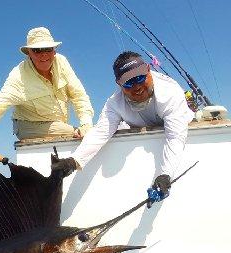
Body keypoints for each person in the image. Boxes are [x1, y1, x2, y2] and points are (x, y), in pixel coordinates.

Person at [51, 51, 194, 206]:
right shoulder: (114, 103)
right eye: (128, 82)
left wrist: (165, 174)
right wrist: (73, 161)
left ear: (148, 70)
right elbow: (100, 132)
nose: (137, 86)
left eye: (140, 78)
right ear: (119, 84)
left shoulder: (169, 92)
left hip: (179, 126)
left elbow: (175, 137)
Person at [0, 27, 94, 148]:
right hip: (28, 126)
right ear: (28, 53)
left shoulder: (62, 62)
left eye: (47, 49)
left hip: (58, 125)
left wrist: (86, 123)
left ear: (54, 50)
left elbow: (79, 96)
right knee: (76, 134)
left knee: (86, 131)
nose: (43, 55)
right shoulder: (18, 77)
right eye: (37, 50)